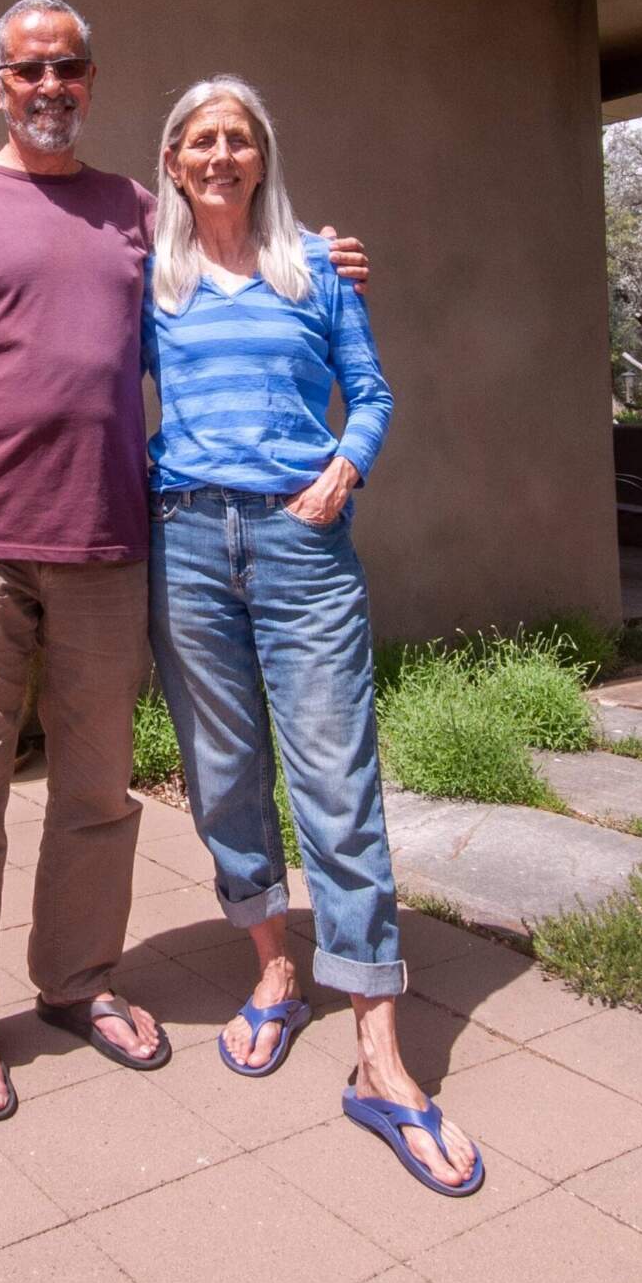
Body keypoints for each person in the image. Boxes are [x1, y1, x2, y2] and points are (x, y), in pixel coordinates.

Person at [0, 0, 367, 1121]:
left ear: (93, 83)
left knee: (98, 792)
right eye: (29, 69)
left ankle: (77, 981)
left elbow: (241, 248)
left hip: (110, 542)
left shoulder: (139, 213)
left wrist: (320, 261)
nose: (51, 86)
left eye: (71, 68)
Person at [143, 76, 482, 1196]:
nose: (223, 152)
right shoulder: (153, 279)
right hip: (189, 544)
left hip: (301, 544)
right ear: (176, 160)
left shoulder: (317, 270)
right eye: (203, 139)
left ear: (262, 154)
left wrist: (346, 465)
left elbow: (373, 393)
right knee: (224, 771)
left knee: (337, 780)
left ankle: (380, 1052)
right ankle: (275, 969)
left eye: (240, 137)